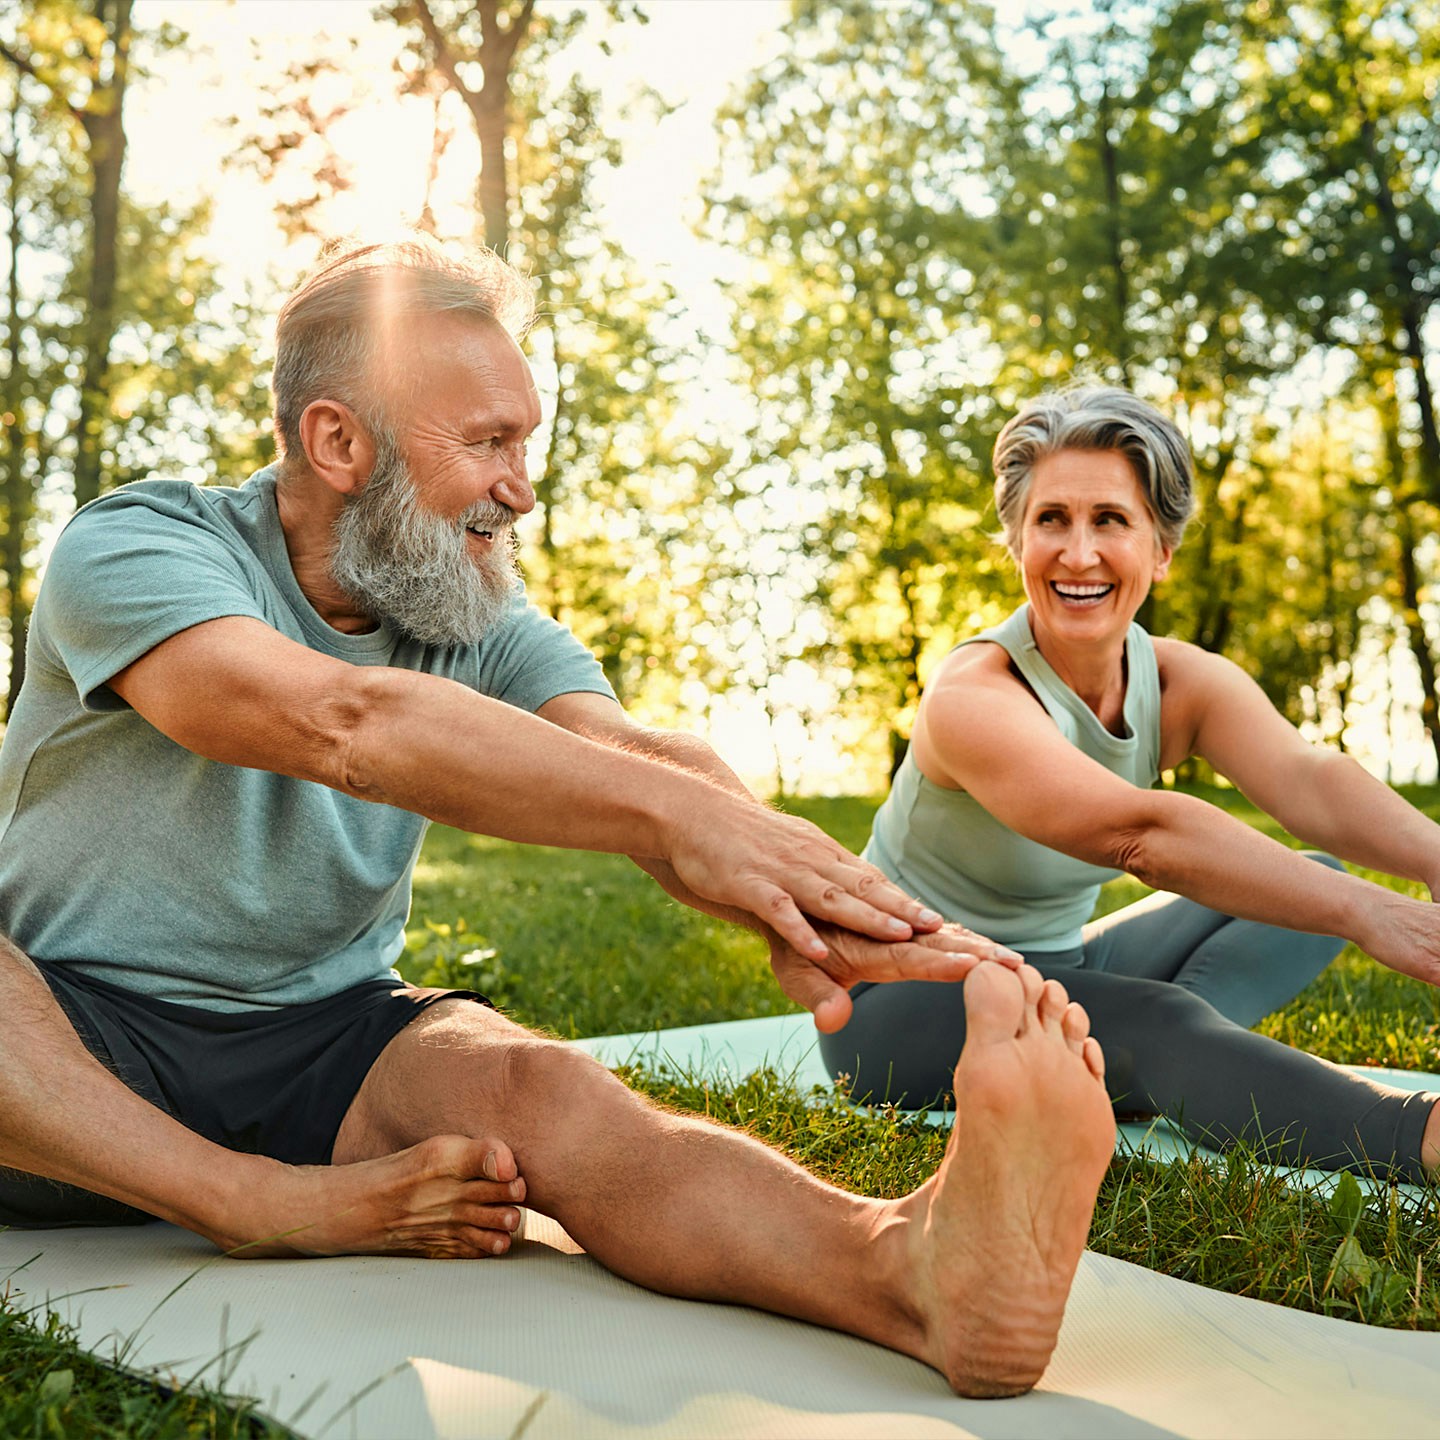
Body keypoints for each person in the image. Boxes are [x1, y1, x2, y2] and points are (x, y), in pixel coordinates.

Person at [0, 238, 1116, 1400]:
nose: (520, 487)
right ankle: (254, 1203)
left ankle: (913, 1274)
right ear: (338, 442)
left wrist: (815, 895)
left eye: (523, 441)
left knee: (548, 1094)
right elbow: (343, 720)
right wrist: (671, 819)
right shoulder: (137, 548)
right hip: (59, 1054)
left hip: (322, 1040)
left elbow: (633, 755)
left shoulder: (465, 601)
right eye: (485, 442)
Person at [821, 385, 1440, 1182]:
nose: (1078, 555)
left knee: (1310, 889)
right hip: (897, 1002)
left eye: (1110, 520)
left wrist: (1430, 859)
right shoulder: (974, 694)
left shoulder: (1178, 681)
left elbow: (1306, 779)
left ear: (1161, 548)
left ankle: (1144, 1066)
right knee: (1159, 1020)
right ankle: (1415, 1137)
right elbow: (1140, 835)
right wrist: (1376, 916)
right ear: (1016, 539)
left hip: (1059, 963)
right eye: (1052, 520)